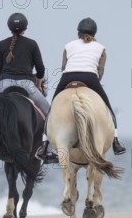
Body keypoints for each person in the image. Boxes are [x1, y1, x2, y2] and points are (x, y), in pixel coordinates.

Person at [36, 17, 126, 161]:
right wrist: (94, 84)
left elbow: (63, 67)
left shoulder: (68, 45)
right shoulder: (101, 48)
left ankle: (45, 145)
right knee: (108, 109)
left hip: (68, 77)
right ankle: (116, 142)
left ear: (78, 33)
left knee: (52, 109)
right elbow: (100, 71)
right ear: (95, 33)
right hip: (90, 78)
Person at [0, 13, 52, 160]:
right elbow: (41, 69)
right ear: (25, 28)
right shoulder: (32, 44)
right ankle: (47, 149)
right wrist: (38, 81)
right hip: (28, 85)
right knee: (50, 113)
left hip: (4, 83)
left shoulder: (2, 44)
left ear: (9, 27)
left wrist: (6, 79)